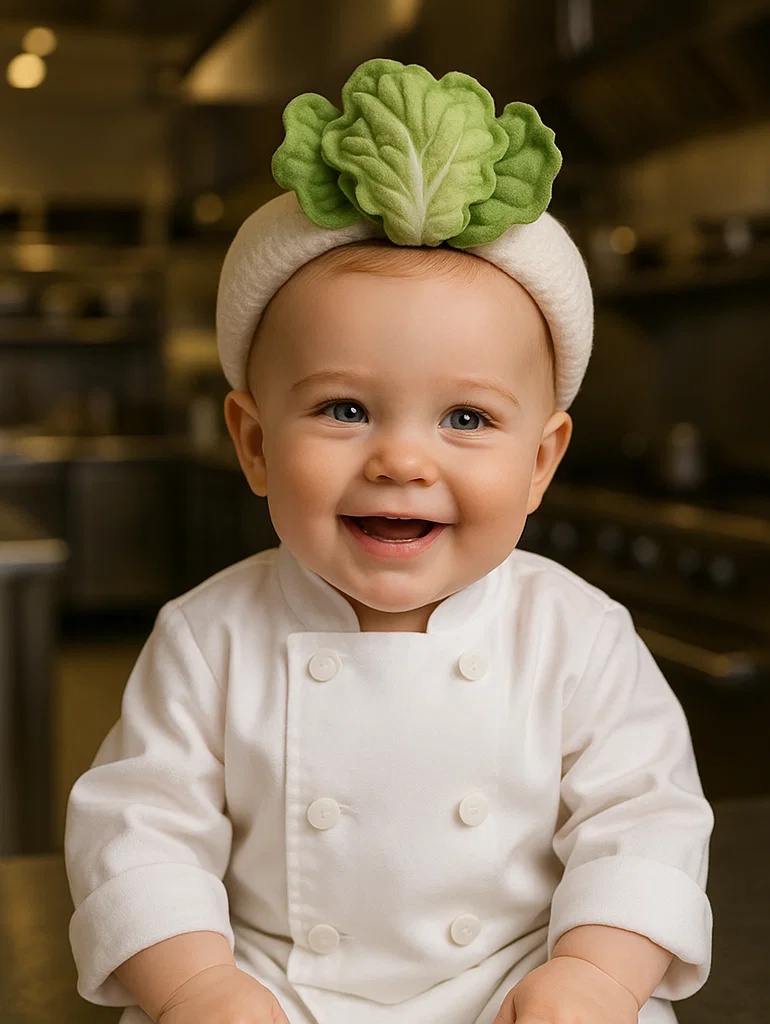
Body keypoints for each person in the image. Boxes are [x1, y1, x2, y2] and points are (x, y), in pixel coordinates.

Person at [65, 59, 713, 1024]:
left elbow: (644, 824)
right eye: (345, 407)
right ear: (252, 442)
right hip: (272, 989)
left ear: (542, 462)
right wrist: (197, 986)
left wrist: (595, 976)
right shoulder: (206, 637)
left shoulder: (579, 634)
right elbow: (142, 834)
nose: (402, 460)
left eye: (465, 419)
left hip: (520, 982)